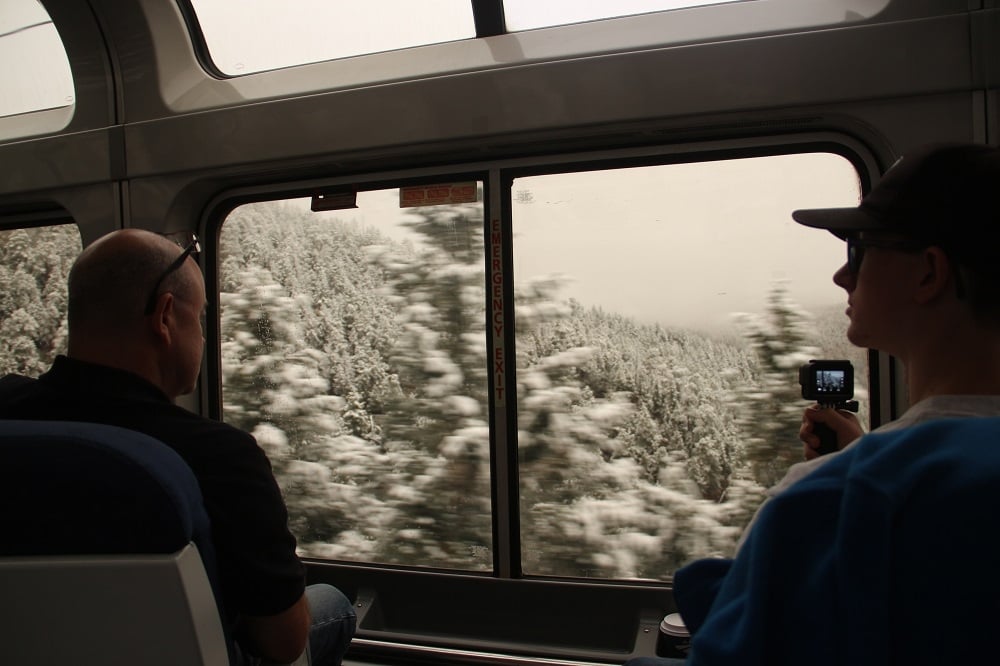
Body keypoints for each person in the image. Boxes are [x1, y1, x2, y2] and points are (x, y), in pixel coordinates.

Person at [626, 142, 1000, 665]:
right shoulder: (914, 480)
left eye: (859, 251)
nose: (841, 277)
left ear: (929, 274)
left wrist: (859, 472)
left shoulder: (835, 502)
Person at [0, 229, 356, 665]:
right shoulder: (221, 456)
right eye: (201, 320)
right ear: (165, 317)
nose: (203, 339)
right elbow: (284, 643)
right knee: (333, 606)